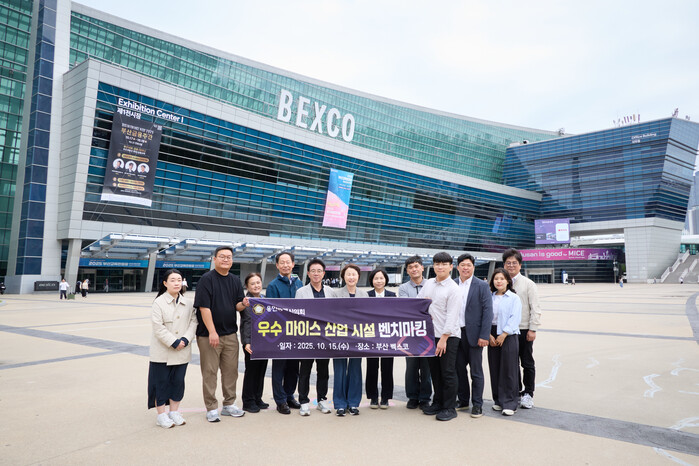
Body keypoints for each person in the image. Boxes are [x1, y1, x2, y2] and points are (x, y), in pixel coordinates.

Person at [194, 246, 249, 422]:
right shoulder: (206, 279)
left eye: (229, 257)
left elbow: (237, 305)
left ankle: (229, 404)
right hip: (209, 335)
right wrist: (212, 331)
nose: (226, 260)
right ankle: (211, 407)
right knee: (210, 372)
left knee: (231, 371)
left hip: (230, 334)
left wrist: (244, 303)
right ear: (215, 259)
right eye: (222, 256)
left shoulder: (234, 280)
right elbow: (204, 307)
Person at [148, 269, 198, 428]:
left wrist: (185, 339)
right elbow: (158, 327)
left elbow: (194, 322)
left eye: (179, 280)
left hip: (182, 349)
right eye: (172, 280)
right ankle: (161, 415)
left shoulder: (188, 303)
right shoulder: (159, 302)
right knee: (160, 382)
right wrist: (174, 342)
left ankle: (174, 412)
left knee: (178, 382)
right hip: (163, 351)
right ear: (165, 283)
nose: (177, 283)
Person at [417, 252, 461, 421]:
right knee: (435, 371)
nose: (440, 267)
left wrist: (444, 339)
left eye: (444, 264)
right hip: (431, 335)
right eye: (437, 263)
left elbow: (452, 315)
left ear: (451, 267)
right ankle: (438, 402)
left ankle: (449, 407)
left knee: (448, 372)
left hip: (448, 337)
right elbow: (419, 303)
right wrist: (425, 307)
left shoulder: (453, 289)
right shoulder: (429, 283)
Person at [454, 253, 493, 419]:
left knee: (476, 372)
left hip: (475, 335)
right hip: (456, 334)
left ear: (473, 267)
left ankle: (477, 404)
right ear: (457, 267)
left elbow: (488, 311)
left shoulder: (481, 285)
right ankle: (463, 400)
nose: (465, 268)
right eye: (462, 265)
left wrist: (484, 335)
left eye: (468, 265)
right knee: (459, 370)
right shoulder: (452, 284)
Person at [295, 258, 335, 416]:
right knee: (305, 371)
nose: (316, 274)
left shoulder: (331, 292)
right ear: (308, 273)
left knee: (323, 371)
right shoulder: (301, 292)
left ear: (324, 273)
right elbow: (297, 315)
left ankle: (322, 400)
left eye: (319, 271)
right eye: (313, 271)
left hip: (325, 339)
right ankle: (303, 401)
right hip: (307, 338)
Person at [503, 248, 542, 410]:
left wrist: (533, 328)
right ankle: (515, 391)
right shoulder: (500, 282)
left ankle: (528, 393)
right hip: (507, 331)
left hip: (524, 329)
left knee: (526, 362)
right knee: (511, 363)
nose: (511, 266)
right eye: (508, 263)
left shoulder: (528, 284)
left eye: (514, 263)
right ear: (504, 265)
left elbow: (535, 308)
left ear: (520, 265)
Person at [266, 251, 303, 414]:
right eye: (282, 262)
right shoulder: (273, 285)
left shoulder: (299, 283)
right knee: (279, 369)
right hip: (280, 334)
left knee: (293, 368)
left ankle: (289, 396)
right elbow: (271, 311)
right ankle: (280, 401)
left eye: (288, 262)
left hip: (297, 333)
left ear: (293, 264)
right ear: (277, 265)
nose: (286, 265)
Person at [333, 264, 368, 416]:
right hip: (339, 337)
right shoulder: (335, 294)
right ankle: (340, 404)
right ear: (343, 277)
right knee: (339, 370)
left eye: (354, 274)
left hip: (357, 337)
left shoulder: (364, 295)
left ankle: (353, 403)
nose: (351, 277)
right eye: (348, 274)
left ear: (358, 276)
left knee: (355, 369)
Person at [398, 255, 432, 409]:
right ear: (407, 271)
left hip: (427, 332)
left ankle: (425, 397)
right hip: (410, 333)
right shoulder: (403, 288)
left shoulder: (431, 285)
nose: (414, 269)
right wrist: (424, 304)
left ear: (422, 268)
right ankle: (412, 396)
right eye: (410, 267)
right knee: (411, 367)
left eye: (416, 266)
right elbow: (406, 308)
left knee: (426, 367)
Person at [487, 267, 522, 416]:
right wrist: (488, 334)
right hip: (492, 334)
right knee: (494, 367)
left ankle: (510, 403)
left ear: (508, 281)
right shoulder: (489, 297)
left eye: (502, 278)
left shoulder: (514, 298)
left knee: (509, 370)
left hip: (508, 335)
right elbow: (485, 316)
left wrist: (504, 334)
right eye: (496, 279)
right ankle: (498, 400)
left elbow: (515, 317)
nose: (499, 281)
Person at [365, 268, 396, 409]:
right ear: (372, 280)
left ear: (386, 280)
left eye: (381, 278)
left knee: (387, 368)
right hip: (371, 336)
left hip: (387, 336)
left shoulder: (392, 296)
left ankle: (385, 397)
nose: (379, 281)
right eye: (376, 278)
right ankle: (373, 397)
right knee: (372, 367)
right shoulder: (366, 296)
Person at [240, 273, 269, 413]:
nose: (256, 285)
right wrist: (247, 342)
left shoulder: (265, 299)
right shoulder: (246, 301)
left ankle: (258, 398)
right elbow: (246, 322)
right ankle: (248, 401)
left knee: (261, 370)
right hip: (251, 342)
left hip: (264, 341)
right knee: (251, 371)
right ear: (247, 286)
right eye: (252, 283)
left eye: (258, 282)